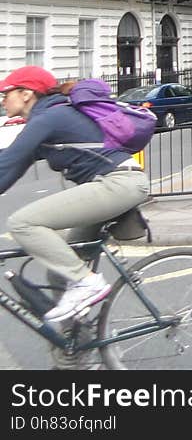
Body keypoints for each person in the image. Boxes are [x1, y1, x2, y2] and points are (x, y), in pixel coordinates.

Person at [0, 66, 149, 323]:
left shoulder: (49, 118)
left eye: (6, 93)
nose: (3, 100)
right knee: (60, 273)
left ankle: (88, 283)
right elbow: (6, 172)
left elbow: (7, 162)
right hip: (111, 184)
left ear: (26, 94)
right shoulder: (47, 120)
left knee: (22, 223)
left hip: (118, 183)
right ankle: (76, 354)